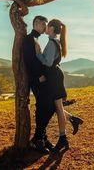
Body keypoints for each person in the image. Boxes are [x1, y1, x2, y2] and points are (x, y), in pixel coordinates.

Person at [35, 18, 84, 152]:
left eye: (47, 25)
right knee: (57, 106)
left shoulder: (52, 43)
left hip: (54, 78)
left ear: (51, 28)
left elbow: (48, 62)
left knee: (57, 106)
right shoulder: (55, 41)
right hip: (55, 77)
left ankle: (63, 138)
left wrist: (38, 53)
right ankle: (72, 120)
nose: (45, 27)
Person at [22, 15, 56, 153]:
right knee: (45, 107)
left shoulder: (35, 39)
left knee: (46, 107)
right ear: (36, 24)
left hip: (41, 79)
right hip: (37, 80)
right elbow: (29, 61)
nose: (45, 28)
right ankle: (38, 139)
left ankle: (41, 137)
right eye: (44, 25)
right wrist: (38, 78)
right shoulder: (29, 39)